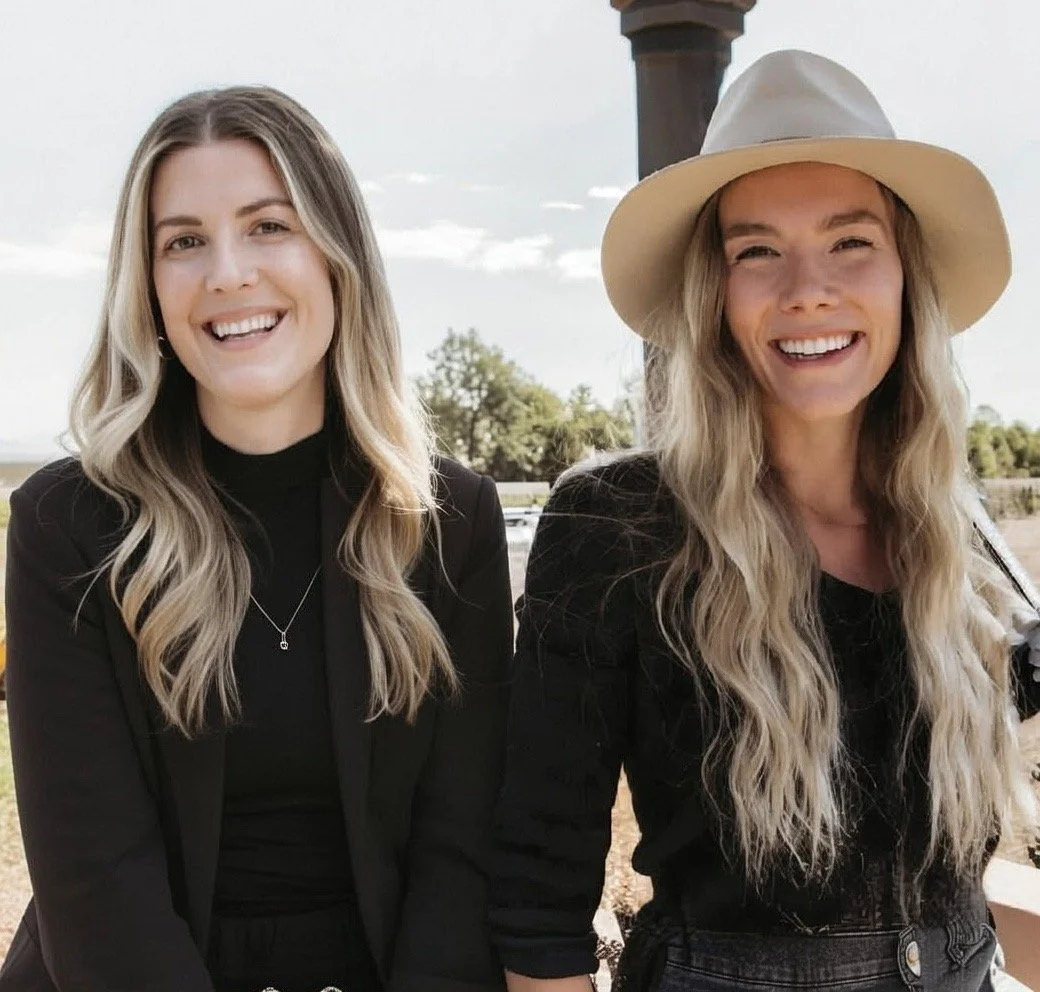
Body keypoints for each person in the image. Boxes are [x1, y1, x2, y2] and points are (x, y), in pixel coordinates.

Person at [488, 50, 1040, 992]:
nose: (807, 289)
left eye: (852, 241)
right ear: (715, 295)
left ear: (909, 276)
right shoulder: (620, 528)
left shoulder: (958, 534)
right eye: (757, 251)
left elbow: (951, 876)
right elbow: (538, 907)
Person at [1, 86, 512, 992]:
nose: (227, 272)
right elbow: (93, 883)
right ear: (150, 289)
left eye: (269, 226)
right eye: (184, 241)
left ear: (336, 257)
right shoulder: (67, 527)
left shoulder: (449, 521)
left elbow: (456, 856)